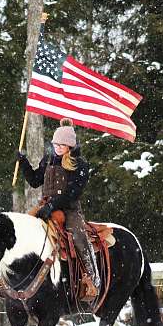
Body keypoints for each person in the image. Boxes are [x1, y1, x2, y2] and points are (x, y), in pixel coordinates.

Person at [17, 117, 100, 301]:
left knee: (78, 236)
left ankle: (93, 278)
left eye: (62, 145)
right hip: (44, 205)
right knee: (22, 229)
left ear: (70, 146)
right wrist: (23, 163)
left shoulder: (79, 164)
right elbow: (34, 180)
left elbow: (72, 193)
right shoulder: (48, 159)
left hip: (69, 209)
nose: (58, 147)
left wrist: (53, 205)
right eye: (56, 144)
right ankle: (18, 276)